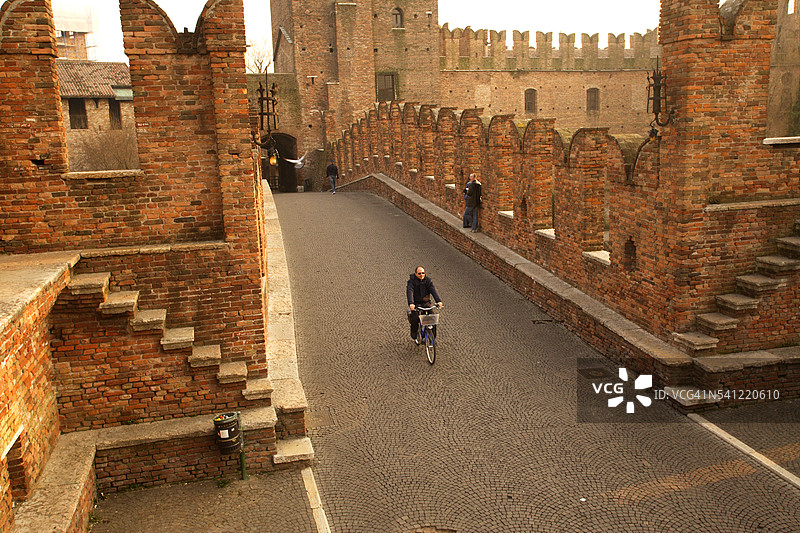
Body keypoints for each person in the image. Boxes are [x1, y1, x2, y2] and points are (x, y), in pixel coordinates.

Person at [406, 266, 443, 343]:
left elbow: (433, 290)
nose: (421, 275)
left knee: (433, 319)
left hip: (426, 303)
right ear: (416, 274)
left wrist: (438, 301)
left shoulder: (428, 281)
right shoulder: (411, 282)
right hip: (416, 303)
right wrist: (411, 303)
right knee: (415, 318)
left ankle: (432, 338)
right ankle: (414, 333)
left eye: (423, 273)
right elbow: (410, 291)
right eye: (419, 273)